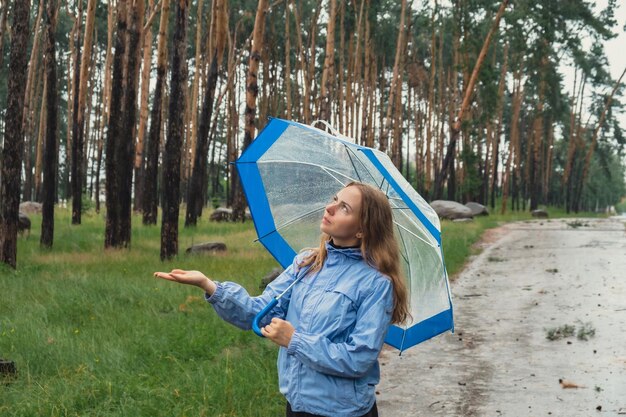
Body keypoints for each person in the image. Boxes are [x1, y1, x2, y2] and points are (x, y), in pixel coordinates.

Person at [154, 182, 409, 417]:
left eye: (344, 207)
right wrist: (209, 285)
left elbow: (359, 358)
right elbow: (260, 312)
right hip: (296, 405)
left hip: (343, 411)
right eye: (334, 199)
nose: (329, 207)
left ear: (363, 229)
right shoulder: (307, 263)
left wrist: (294, 340)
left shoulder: (376, 284)